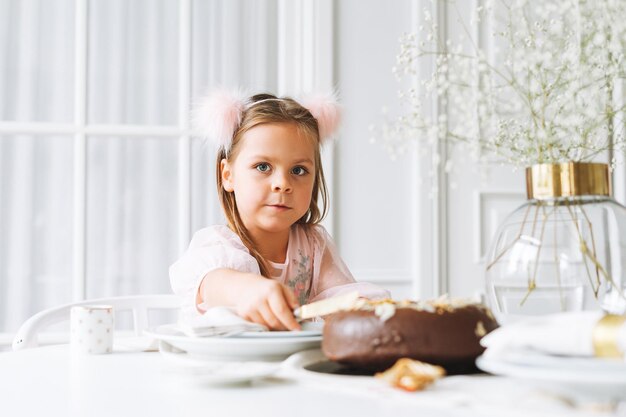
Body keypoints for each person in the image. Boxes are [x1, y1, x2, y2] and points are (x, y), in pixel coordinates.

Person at [169, 90, 390, 331]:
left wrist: (364, 307)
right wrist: (247, 289)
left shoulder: (313, 246)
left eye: (298, 170)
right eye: (263, 166)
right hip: (218, 364)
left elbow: (342, 298)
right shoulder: (216, 247)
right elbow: (214, 283)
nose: (282, 183)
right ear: (228, 175)